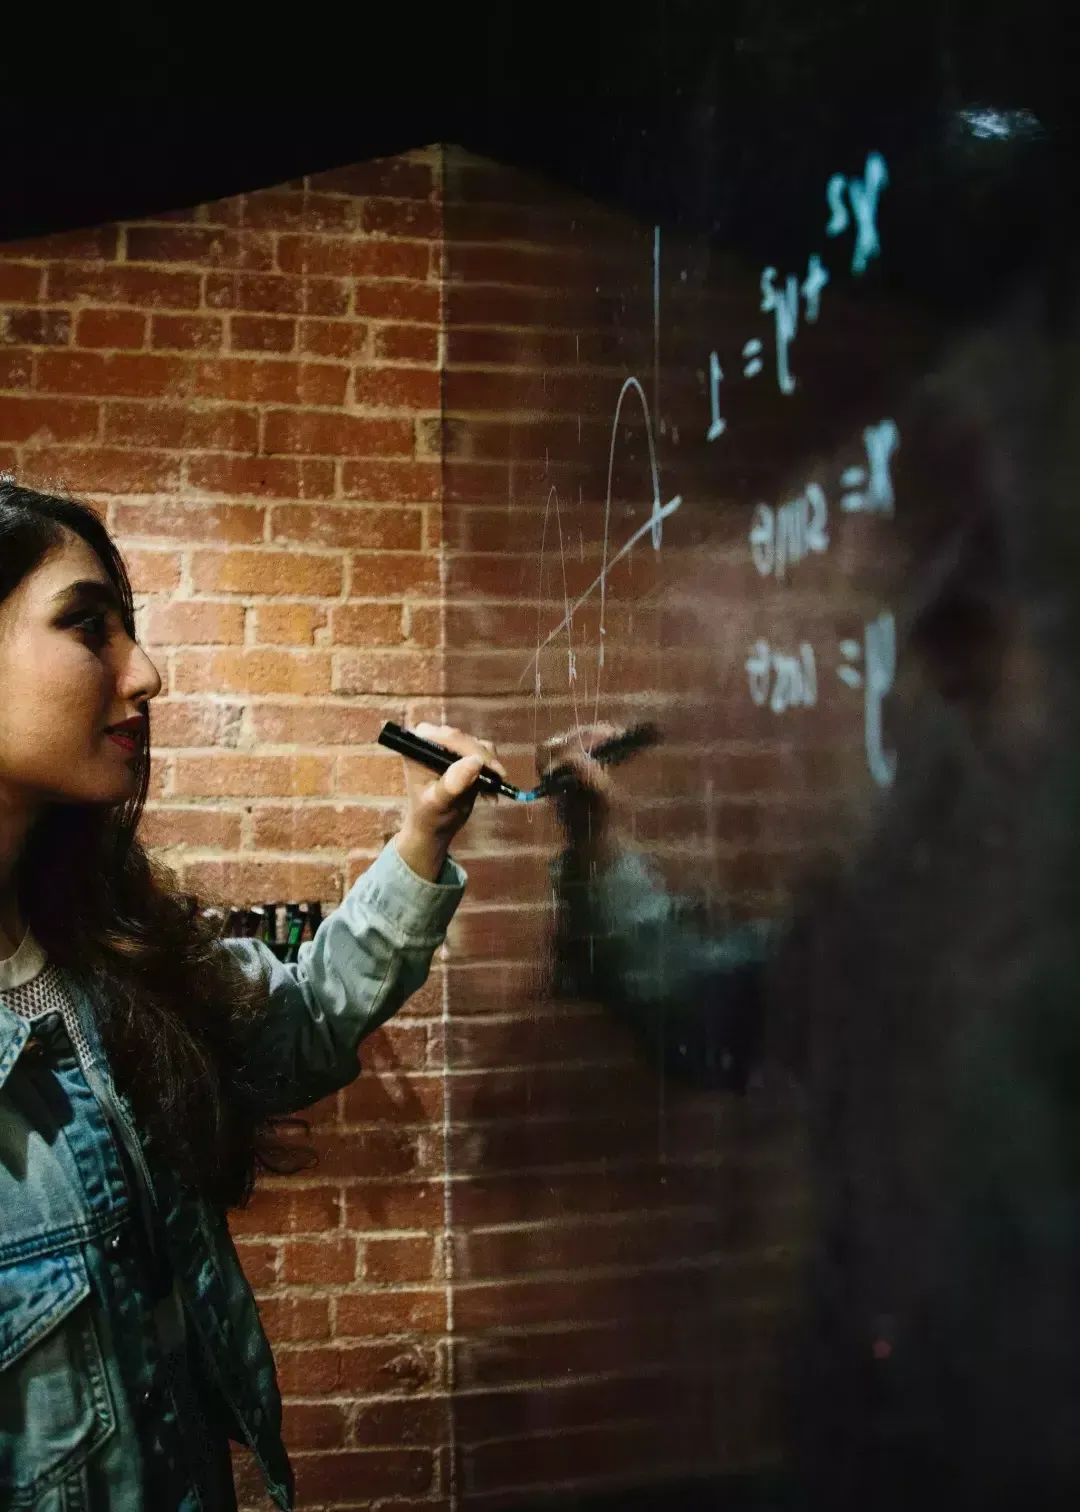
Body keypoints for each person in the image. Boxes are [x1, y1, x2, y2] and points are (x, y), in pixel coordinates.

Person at [0, 481, 505, 1511]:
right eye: (88, 626)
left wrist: (422, 838)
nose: (147, 672)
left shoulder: (105, 949)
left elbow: (295, 1031)